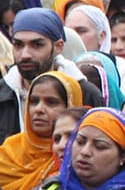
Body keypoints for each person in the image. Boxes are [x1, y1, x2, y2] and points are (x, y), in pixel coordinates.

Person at [0, 72, 84, 190]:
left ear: (71, 106)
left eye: (51, 102)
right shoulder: (9, 149)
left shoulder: (78, 159)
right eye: (34, 101)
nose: (38, 109)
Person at [0, 9, 85, 141]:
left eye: (37, 45)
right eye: (18, 45)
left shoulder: (84, 92)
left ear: (58, 47)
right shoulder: (3, 93)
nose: (25, 54)